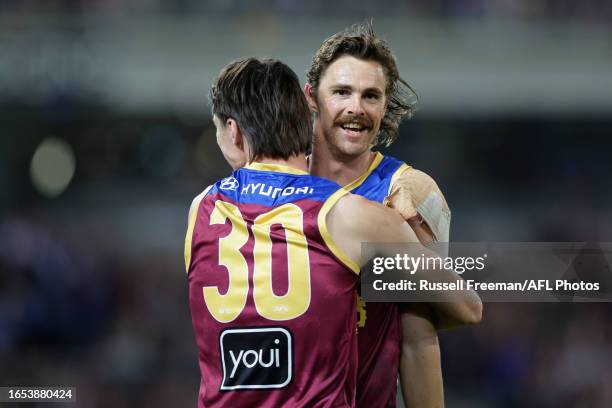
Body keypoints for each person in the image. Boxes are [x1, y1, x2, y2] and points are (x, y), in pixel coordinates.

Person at [185, 57, 481, 407]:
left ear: (233, 131)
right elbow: (467, 308)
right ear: (306, 111)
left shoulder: (200, 209)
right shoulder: (354, 215)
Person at [305, 23, 479, 407]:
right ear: (312, 98)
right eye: (341, 92)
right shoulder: (281, 186)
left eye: (371, 96)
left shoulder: (411, 193)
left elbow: (419, 338)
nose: (356, 108)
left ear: (385, 106)